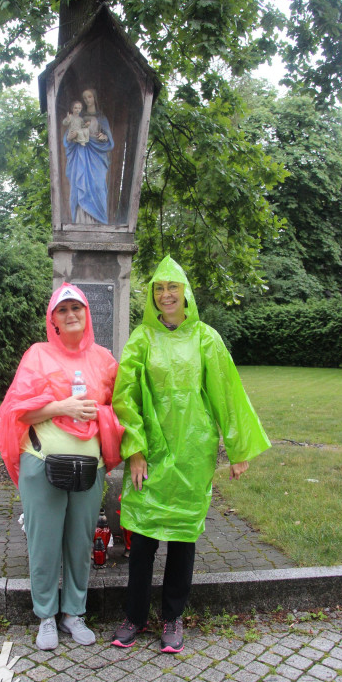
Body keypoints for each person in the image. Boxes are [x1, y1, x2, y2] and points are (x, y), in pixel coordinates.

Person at [111, 256, 271, 653]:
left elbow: (227, 392)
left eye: (173, 287)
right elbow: (125, 398)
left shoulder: (206, 338)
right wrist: (134, 451)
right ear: (152, 295)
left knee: (183, 539)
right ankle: (134, 616)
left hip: (193, 453)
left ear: (186, 293)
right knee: (144, 538)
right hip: (151, 453)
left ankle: (172, 618)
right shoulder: (141, 339)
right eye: (159, 288)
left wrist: (237, 449)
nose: (166, 295)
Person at [0, 283, 122, 651]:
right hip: (41, 464)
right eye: (62, 310)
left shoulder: (104, 360)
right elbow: (19, 411)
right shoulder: (38, 355)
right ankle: (46, 616)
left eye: (76, 308)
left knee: (80, 543)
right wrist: (62, 407)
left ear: (86, 314)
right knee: (44, 542)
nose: (70, 315)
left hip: (88, 469)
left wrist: (105, 416)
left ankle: (73, 614)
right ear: (54, 320)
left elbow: (123, 407)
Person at [63, 88, 114, 225]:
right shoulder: (78, 118)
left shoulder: (102, 119)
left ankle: (99, 222)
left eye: (89, 97)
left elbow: (109, 142)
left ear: (94, 98)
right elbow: (67, 139)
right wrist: (70, 137)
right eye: (84, 98)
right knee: (80, 185)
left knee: (98, 187)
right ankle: (82, 222)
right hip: (81, 155)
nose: (87, 100)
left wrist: (103, 137)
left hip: (96, 158)